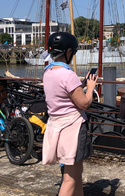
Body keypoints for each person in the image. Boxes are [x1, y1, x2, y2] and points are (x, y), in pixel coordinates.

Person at [42, 32, 97, 196]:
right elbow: (85, 103)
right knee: (70, 178)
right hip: (72, 128)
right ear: (67, 52)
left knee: (76, 174)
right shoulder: (68, 75)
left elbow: (64, 95)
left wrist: (80, 87)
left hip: (56, 125)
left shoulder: (48, 72)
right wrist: (91, 87)